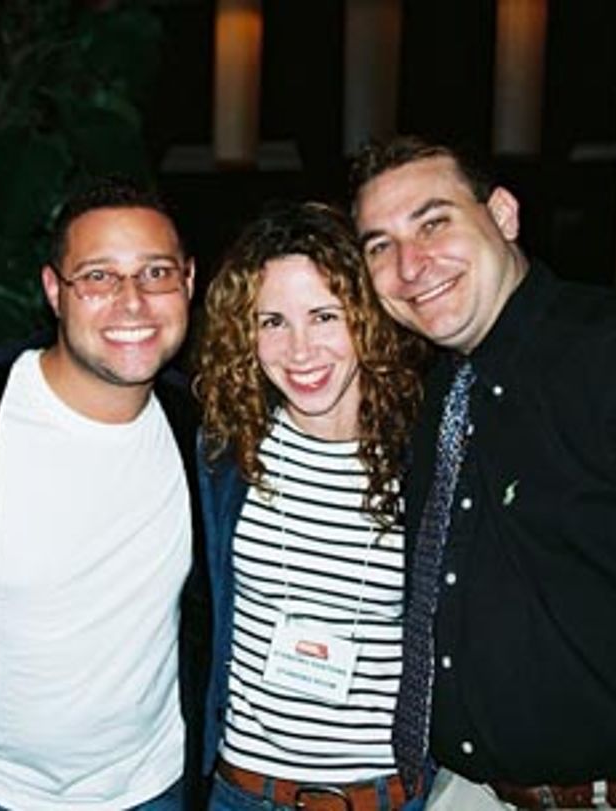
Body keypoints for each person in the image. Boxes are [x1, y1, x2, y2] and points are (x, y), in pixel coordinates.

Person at [350, 136, 616, 811]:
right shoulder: (435, 401)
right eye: (379, 245)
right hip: (469, 795)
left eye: (434, 222)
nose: (411, 264)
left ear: (504, 215)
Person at [0, 178, 210, 810]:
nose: (132, 301)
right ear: (54, 290)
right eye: (98, 277)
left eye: (156, 273)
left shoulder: (205, 429)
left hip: (157, 789)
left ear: (188, 282)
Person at [194, 201, 428, 811]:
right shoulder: (225, 457)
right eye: (272, 321)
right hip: (241, 795)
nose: (300, 350)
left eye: (324, 316)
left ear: (368, 316)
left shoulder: (427, 463)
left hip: (383, 799)